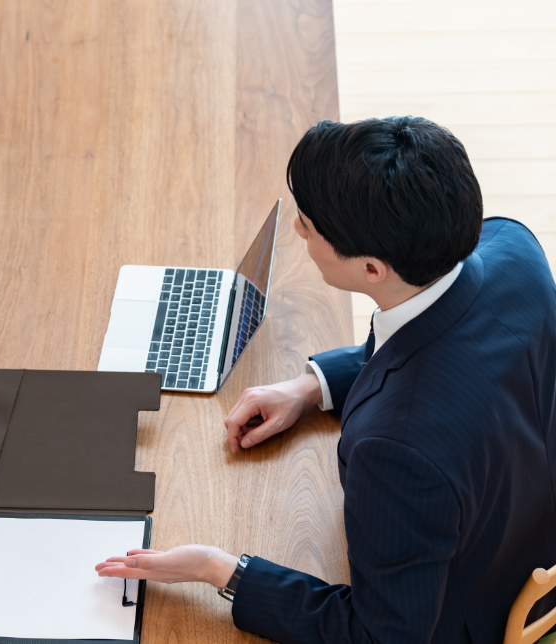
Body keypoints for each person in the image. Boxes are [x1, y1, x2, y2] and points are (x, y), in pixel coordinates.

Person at [96, 117, 556, 643]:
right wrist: (310, 387)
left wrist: (222, 570)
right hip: (525, 522)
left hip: (470, 612)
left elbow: (381, 636)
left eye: (311, 227)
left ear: (371, 270)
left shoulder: (396, 452)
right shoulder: (512, 250)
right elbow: (440, 343)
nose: (299, 231)